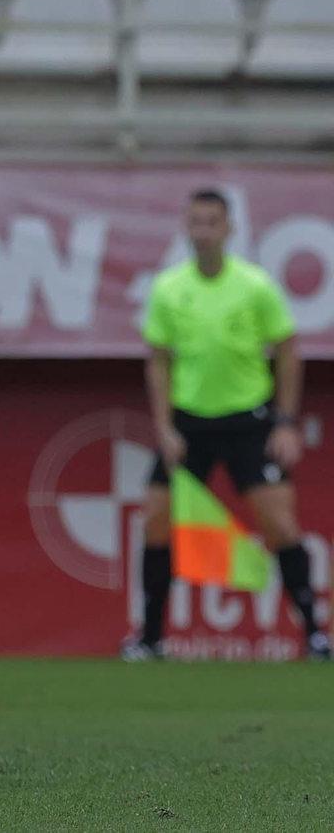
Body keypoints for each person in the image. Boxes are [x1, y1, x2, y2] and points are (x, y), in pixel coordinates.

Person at [125, 188, 328, 662]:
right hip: (189, 424)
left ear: (229, 229)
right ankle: (151, 639)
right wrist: (165, 427)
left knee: (279, 522)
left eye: (213, 222)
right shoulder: (169, 289)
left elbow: (288, 349)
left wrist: (286, 421)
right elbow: (157, 361)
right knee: (156, 516)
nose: (204, 231)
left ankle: (316, 634)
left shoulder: (255, 286)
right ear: (185, 228)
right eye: (196, 222)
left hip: (248, 422)